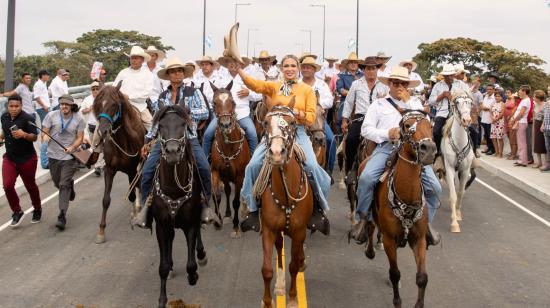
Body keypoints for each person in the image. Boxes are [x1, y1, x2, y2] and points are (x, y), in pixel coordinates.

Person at [237, 54, 332, 235]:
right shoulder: (273, 86)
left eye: (293, 66)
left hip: (298, 132)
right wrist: (239, 70)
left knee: (312, 165)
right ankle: (252, 209)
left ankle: (318, 208)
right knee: (253, 165)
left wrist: (294, 112)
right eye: (286, 65)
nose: (289, 69)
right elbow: (254, 85)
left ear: (298, 69)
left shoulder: (307, 90)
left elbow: (311, 117)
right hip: (274, 133)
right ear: (281, 68)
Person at [350, 66, 441, 246]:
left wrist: (409, 104)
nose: (399, 86)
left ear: (408, 85)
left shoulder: (415, 103)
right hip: (387, 148)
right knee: (367, 178)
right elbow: (366, 129)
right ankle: (364, 219)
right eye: (396, 82)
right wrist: (387, 133)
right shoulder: (378, 104)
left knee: (436, 188)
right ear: (389, 84)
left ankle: (426, 223)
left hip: (413, 152)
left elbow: (426, 126)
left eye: (403, 83)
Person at [134, 57, 215, 228]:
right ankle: (145, 208)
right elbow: (156, 120)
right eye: (173, 71)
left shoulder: (194, 92)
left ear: (183, 74)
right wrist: (148, 140)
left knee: (203, 167)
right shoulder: (162, 97)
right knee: (147, 169)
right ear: (168, 75)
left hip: (189, 138)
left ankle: (207, 204)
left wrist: (183, 112)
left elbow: (205, 112)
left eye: (179, 70)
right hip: (164, 140)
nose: (176, 73)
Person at [87, 46, 154, 166]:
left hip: (139, 105)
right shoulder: (123, 72)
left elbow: (147, 92)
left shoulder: (147, 74)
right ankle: (95, 151)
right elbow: (114, 87)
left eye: (137, 58)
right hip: (120, 105)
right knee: (101, 123)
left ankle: (153, 152)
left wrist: (130, 96)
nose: (134, 60)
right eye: (132, 58)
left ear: (142, 60)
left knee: (152, 125)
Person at [41, 94, 85, 230]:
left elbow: (80, 138)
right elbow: (44, 132)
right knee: (57, 183)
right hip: (53, 156)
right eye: (62, 104)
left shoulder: (79, 118)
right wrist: (45, 138)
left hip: (69, 157)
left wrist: (72, 147)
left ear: (71, 105)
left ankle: (62, 215)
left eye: (66, 104)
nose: (64, 106)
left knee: (63, 184)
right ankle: (70, 186)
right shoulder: (51, 116)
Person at [202, 56, 261, 158]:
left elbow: (259, 95)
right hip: (221, 115)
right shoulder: (220, 78)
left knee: (253, 134)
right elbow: (207, 94)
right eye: (229, 62)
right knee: (207, 135)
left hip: (242, 115)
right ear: (226, 65)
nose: (232, 64)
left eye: (235, 61)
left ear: (241, 64)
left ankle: (253, 162)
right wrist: (217, 97)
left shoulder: (247, 78)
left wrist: (249, 93)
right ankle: (205, 162)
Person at [1, 94, 42, 227]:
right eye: (11, 106)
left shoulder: (28, 118)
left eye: (16, 106)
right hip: (10, 158)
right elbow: (5, 132)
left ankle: (37, 208)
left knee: (30, 186)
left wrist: (23, 134)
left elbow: (35, 137)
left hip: (27, 159)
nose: (13, 109)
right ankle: (17, 211)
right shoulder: (4, 117)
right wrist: (1, 138)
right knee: (7, 186)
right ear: (7, 106)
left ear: (21, 106)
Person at [341, 57, 388, 173]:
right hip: (361, 118)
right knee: (351, 139)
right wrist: (344, 120)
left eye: (373, 68)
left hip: (379, 119)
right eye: (368, 69)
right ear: (363, 70)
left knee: (389, 141)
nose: (371, 71)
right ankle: (350, 170)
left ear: (377, 70)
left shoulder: (384, 85)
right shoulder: (356, 84)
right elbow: (349, 102)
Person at [429, 64, 471, 170]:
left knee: (472, 131)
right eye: (447, 75)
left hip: (457, 114)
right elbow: (431, 101)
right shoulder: (438, 85)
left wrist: (455, 97)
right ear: (444, 76)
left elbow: (469, 97)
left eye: (451, 75)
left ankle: (472, 155)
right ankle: (438, 154)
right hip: (442, 113)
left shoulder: (461, 84)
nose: (450, 77)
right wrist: (442, 96)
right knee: (436, 131)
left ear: (454, 75)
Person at [300, 56, 337, 175]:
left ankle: (328, 170)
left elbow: (330, 101)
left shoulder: (321, 84)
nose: (306, 70)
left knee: (331, 140)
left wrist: (316, 104)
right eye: (304, 67)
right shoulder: (296, 84)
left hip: (318, 120)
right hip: (300, 120)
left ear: (314, 70)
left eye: (309, 68)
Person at [336, 52, 364, 135]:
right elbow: (340, 89)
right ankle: (340, 136)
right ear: (347, 64)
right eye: (351, 62)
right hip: (346, 100)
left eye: (355, 62)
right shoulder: (341, 75)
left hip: (361, 100)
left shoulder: (362, 75)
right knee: (341, 117)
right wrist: (352, 93)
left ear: (358, 64)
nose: (353, 64)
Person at [80, 81, 103, 176]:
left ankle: (98, 166)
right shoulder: (87, 99)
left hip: (102, 126)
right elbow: (82, 111)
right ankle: (99, 164)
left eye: (97, 88)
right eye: (93, 89)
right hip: (92, 126)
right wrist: (89, 109)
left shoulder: (103, 98)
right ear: (91, 90)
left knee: (102, 145)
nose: (95, 91)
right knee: (95, 146)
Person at [509, 85, 532, 167]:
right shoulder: (524, 100)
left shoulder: (526, 101)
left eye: (520, 90)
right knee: (521, 142)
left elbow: (521, 113)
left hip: (521, 122)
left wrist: (513, 119)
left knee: (521, 142)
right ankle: (522, 159)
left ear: (524, 91)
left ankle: (523, 160)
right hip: (521, 122)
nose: (519, 92)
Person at [532, 90, 547, 169]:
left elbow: (546, 116)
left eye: (534, 96)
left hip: (543, 125)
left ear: (538, 97)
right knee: (536, 144)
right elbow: (534, 117)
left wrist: (543, 125)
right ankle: (539, 162)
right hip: (537, 125)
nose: (533, 98)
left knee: (543, 144)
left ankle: (545, 163)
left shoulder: (545, 105)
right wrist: (534, 128)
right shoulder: (535, 105)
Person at [480, 85, 496, 155]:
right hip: (484, 118)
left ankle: (492, 149)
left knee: (490, 135)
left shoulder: (495, 98)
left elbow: (494, 108)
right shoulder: (485, 96)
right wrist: (483, 107)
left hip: (490, 119)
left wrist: (487, 108)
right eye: (487, 89)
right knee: (486, 135)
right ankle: (488, 148)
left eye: (490, 89)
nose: (488, 90)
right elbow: (482, 105)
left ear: (493, 90)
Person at [490, 91, 505, 158]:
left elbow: (502, 113)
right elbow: (490, 112)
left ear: (501, 97)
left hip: (500, 122)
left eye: (499, 96)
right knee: (493, 137)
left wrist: (496, 119)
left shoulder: (502, 104)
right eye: (496, 96)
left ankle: (500, 153)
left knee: (500, 138)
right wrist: (492, 118)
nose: (497, 97)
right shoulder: (493, 103)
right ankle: (496, 151)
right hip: (493, 122)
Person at [504, 90, 518, 160]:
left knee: (513, 138)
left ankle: (514, 154)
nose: (507, 94)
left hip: (512, 121)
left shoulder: (515, 102)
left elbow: (514, 111)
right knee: (509, 137)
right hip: (506, 121)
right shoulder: (507, 100)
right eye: (506, 93)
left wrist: (510, 117)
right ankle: (512, 151)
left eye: (508, 93)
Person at [541, 90, 550, 172]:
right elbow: (545, 114)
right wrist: (542, 124)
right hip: (546, 127)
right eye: (548, 90)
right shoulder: (547, 101)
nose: (549, 91)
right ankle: (548, 165)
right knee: (547, 147)